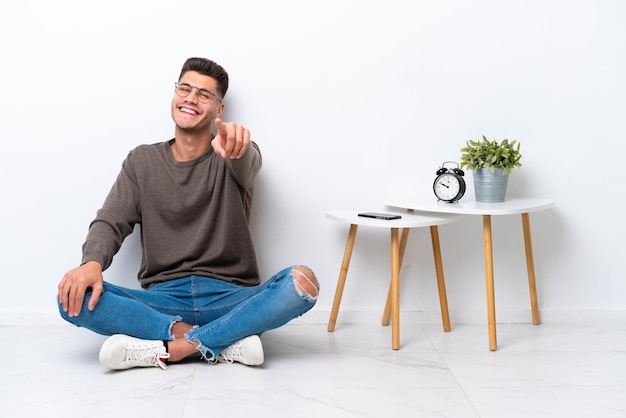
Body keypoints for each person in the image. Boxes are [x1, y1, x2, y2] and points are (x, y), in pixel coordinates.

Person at [57, 57, 319, 371]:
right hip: (163, 301)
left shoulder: (233, 154)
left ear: (218, 110)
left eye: (204, 94)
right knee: (70, 296)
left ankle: (173, 349)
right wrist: (91, 264)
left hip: (229, 298)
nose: (191, 99)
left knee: (303, 283)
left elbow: (248, 160)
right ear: (175, 94)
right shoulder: (142, 161)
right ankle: (222, 341)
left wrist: (239, 144)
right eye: (185, 89)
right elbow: (111, 220)